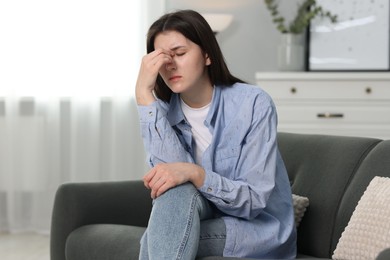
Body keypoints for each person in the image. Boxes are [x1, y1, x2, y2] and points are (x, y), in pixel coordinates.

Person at [135, 9, 296, 259]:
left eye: (180, 53)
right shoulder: (163, 115)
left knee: (157, 241)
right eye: (162, 58)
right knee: (174, 192)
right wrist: (144, 95)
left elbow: (253, 201)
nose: (170, 65)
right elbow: (169, 183)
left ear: (207, 54)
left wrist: (196, 173)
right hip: (196, 214)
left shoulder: (252, 104)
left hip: (253, 230)